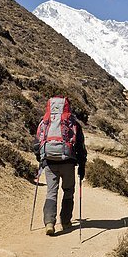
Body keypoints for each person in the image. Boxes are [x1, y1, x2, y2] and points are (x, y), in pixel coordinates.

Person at [33, 96, 87, 236]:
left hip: (50, 162)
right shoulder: (73, 123)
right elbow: (80, 147)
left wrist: (41, 159)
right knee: (68, 191)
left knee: (51, 192)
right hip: (68, 162)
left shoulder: (45, 121)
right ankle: (65, 222)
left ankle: (49, 223)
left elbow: (36, 143)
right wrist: (82, 166)